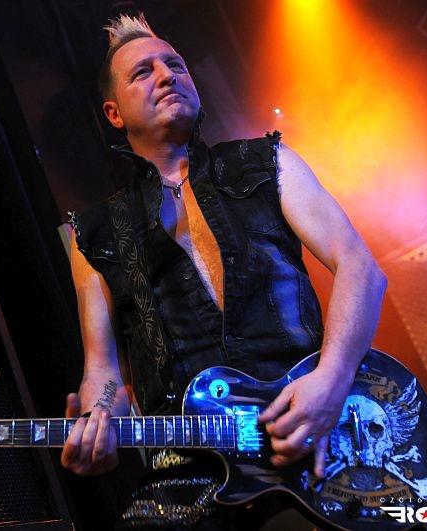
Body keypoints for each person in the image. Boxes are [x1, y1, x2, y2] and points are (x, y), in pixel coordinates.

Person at [61, 13, 388, 529]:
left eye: (174, 65)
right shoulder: (94, 233)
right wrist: (96, 427)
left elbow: (360, 269)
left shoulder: (268, 162)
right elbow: (103, 372)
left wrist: (331, 381)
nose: (166, 75)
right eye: (143, 72)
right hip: (191, 472)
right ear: (114, 113)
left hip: (318, 429)